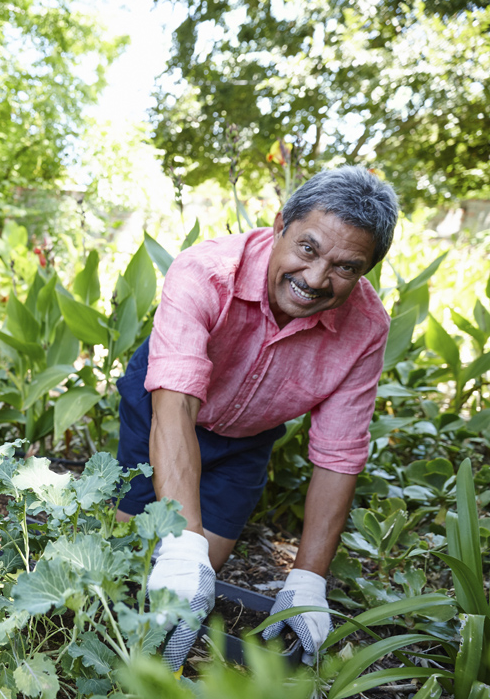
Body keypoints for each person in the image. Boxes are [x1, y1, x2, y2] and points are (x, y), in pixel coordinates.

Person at [116, 166, 398, 669]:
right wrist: (181, 543)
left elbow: (338, 453)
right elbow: (175, 403)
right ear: (279, 225)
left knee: (203, 570)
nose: (315, 279)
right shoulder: (204, 272)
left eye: (346, 267)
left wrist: (309, 579)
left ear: (366, 270)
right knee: (129, 563)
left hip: (249, 434)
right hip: (165, 407)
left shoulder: (367, 328)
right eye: (308, 249)